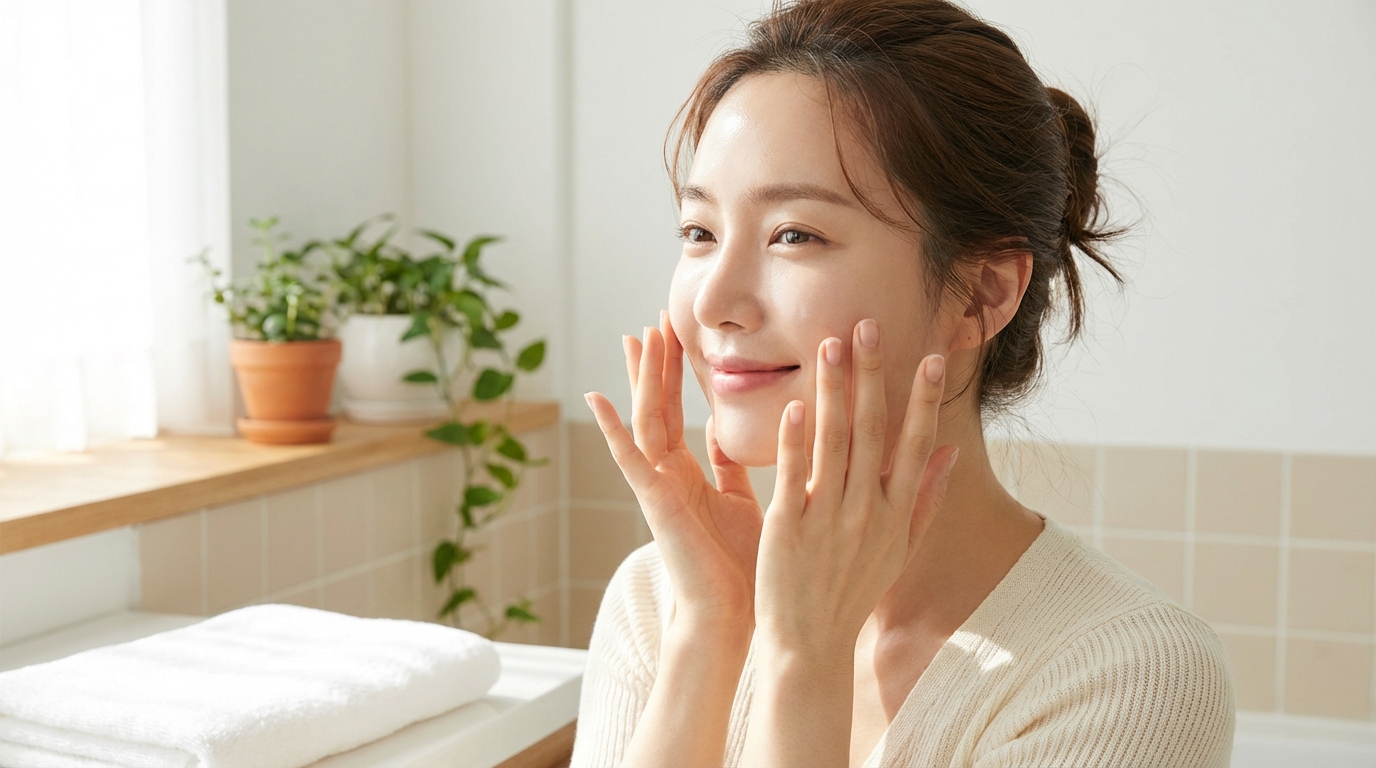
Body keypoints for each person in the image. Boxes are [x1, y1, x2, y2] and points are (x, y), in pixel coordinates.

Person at [572, 1, 1235, 765]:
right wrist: (713, 627)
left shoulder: (1128, 678)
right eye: (700, 232)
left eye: (795, 234)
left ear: (983, 291)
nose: (714, 303)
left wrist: (803, 658)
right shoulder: (666, 600)